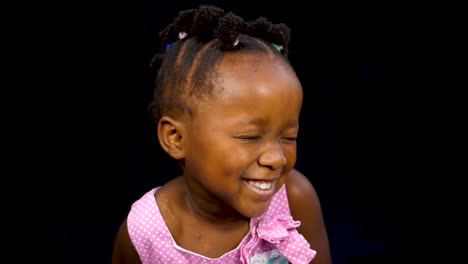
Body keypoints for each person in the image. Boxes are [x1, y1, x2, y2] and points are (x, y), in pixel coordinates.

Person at [112, 4, 331, 264]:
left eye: (288, 137)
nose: (277, 158)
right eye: (249, 137)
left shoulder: (295, 198)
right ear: (175, 138)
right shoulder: (144, 233)